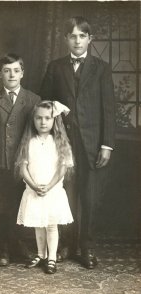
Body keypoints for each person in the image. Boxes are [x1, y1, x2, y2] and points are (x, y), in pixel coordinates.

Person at [40, 16, 115, 269]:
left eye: (82, 36)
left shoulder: (102, 69)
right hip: (63, 143)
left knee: (89, 198)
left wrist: (107, 144)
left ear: (90, 39)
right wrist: (54, 107)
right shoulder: (55, 67)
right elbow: (44, 104)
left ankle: (86, 247)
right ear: (65, 39)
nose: (77, 40)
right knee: (65, 196)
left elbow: (108, 108)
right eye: (72, 36)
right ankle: (65, 245)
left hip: (93, 144)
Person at [0, 53, 40, 266]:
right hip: (0, 161)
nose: (12, 74)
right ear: (0, 74)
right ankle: (3, 247)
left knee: (20, 204)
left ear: (22, 73)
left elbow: (39, 132)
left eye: (16, 70)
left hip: (23, 162)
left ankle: (19, 244)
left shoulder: (33, 99)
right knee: (0, 205)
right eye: (7, 71)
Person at [15, 101, 74, 274]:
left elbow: (62, 168)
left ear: (54, 120)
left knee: (51, 225)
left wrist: (48, 186)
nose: (43, 122)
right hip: (34, 191)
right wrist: (34, 186)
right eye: (39, 118)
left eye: (47, 118)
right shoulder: (29, 141)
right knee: (38, 225)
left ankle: (52, 258)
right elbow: (23, 167)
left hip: (52, 191)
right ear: (33, 119)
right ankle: (41, 254)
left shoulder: (59, 143)